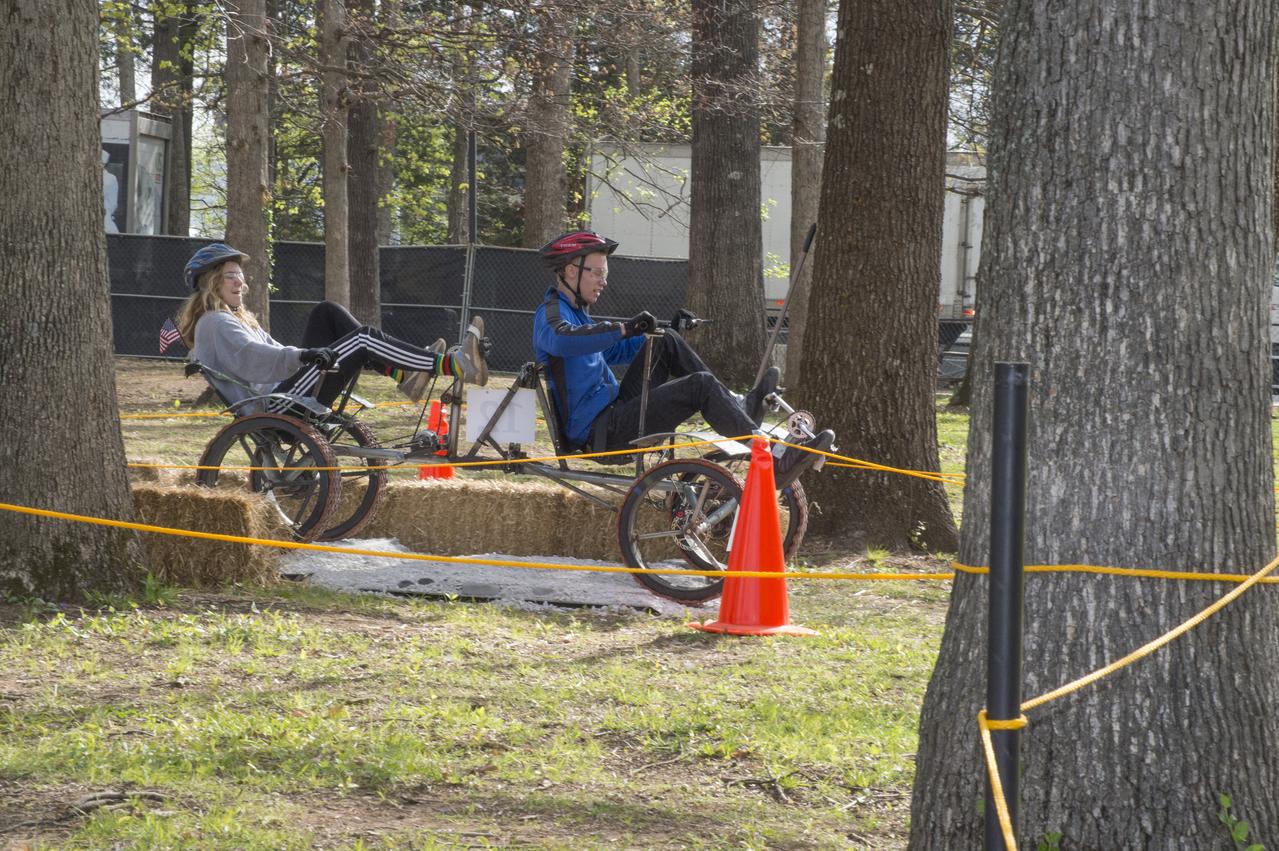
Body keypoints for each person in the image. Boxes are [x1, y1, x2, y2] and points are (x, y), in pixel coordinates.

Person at [532, 230, 834, 487]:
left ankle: (736, 404)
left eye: (605, 274)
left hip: (615, 411)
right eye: (597, 273)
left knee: (666, 340)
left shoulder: (576, 314)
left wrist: (661, 329)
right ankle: (775, 458)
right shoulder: (551, 315)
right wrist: (624, 328)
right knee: (698, 386)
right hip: (602, 431)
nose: (604, 281)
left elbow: (616, 350)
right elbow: (562, 339)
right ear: (571, 270)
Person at [177, 242, 487, 412]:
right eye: (231, 274)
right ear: (210, 281)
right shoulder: (214, 323)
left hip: (284, 391)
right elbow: (254, 358)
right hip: (277, 405)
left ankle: (404, 373)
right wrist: (304, 356)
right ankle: (452, 366)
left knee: (327, 312)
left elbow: (267, 349)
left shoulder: (232, 319)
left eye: (240, 275)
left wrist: (303, 355)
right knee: (362, 338)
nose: (240, 281)